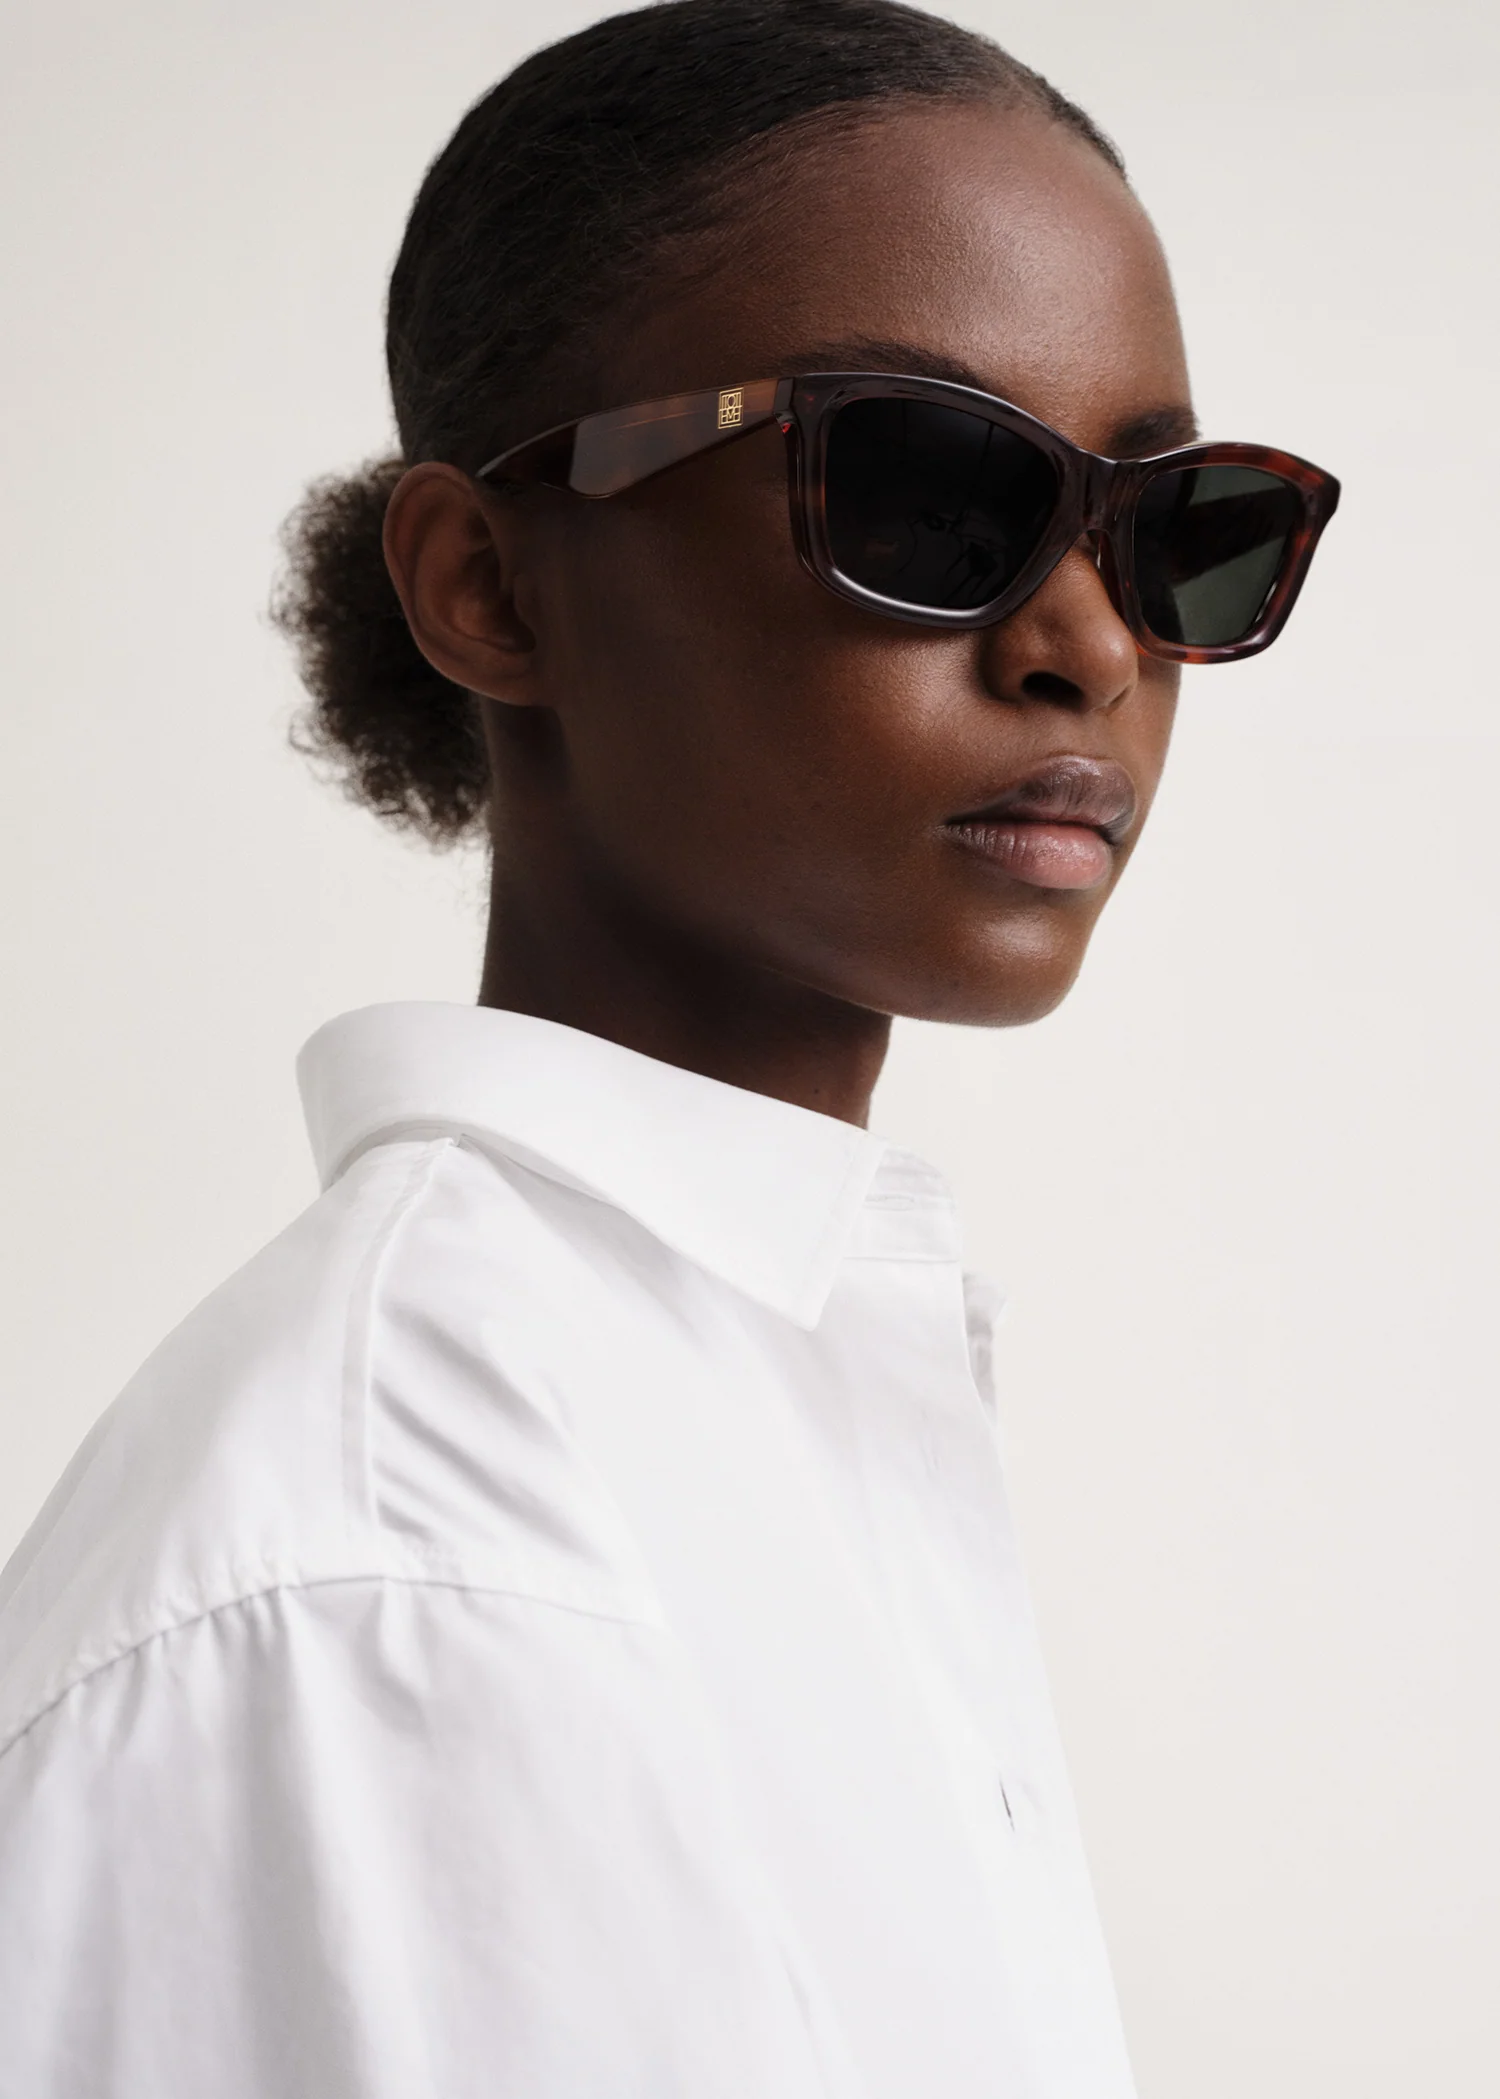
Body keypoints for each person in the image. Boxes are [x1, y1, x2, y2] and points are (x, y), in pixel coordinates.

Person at [0, 3, 1338, 2094]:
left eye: (1180, 526)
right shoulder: (411, 1565)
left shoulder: (738, 1408)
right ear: (488, 585)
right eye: (926, 489)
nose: (1089, 640)